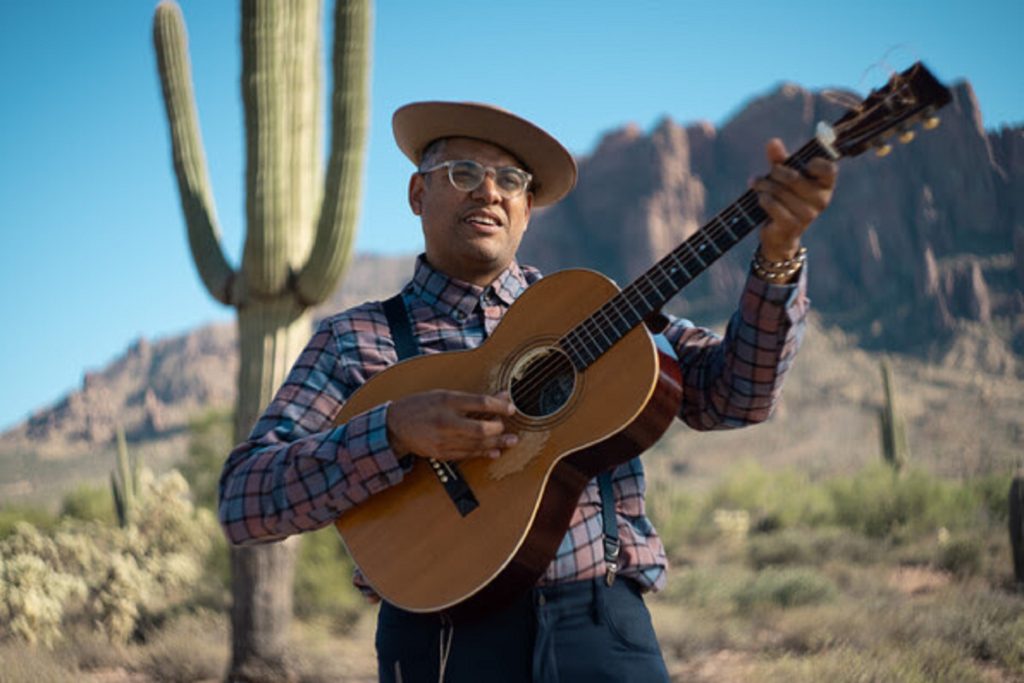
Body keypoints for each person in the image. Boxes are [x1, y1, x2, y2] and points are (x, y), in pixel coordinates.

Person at [218, 101, 837, 682]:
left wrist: (778, 254)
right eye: (463, 172)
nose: (489, 191)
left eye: (511, 180)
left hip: (604, 633)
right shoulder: (355, 339)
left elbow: (738, 397)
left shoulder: (594, 308)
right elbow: (244, 501)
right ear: (417, 192)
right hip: (441, 647)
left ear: (527, 207)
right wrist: (392, 432)